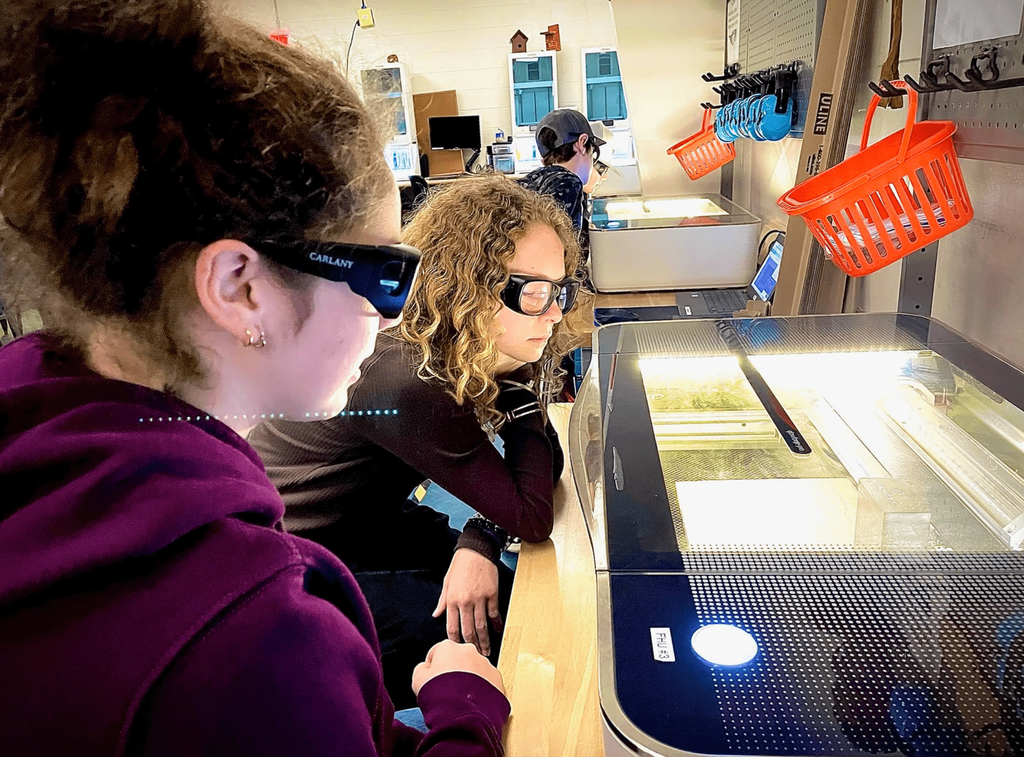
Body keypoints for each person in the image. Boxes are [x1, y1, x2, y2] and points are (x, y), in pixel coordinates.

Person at [0, 1, 509, 755]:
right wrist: (467, 708)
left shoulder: (36, 412)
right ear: (240, 285)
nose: (393, 316)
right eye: (383, 273)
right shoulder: (250, 646)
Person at [248, 175, 584, 709]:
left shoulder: (448, 341)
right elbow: (531, 513)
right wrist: (522, 395)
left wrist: (479, 534)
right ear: (466, 287)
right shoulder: (408, 377)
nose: (555, 312)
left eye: (559, 289)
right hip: (293, 572)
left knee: (513, 592)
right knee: (502, 635)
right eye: (533, 290)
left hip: (370, 521)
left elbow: (543, 460)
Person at [519, 108, 606, 278]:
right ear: (582, 143)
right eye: (592, 153)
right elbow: (563, 253)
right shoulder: (568, 183)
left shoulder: (532, 180)